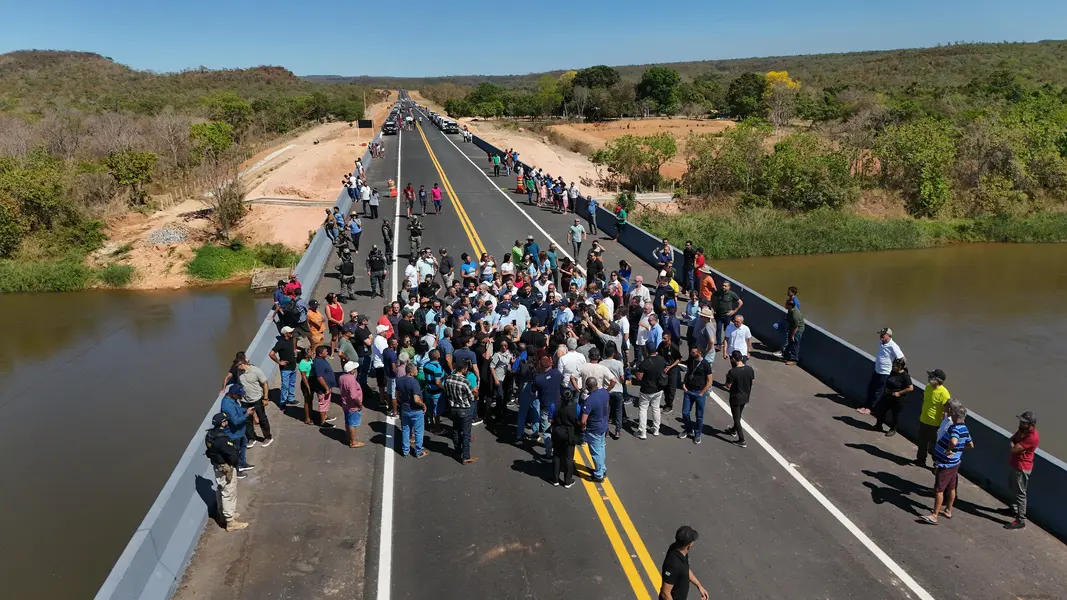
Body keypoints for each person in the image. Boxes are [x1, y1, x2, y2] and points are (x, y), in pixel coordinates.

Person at [921, 406, 974, 525]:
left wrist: (950, 450)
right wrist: (958, 451)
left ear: (956, 416)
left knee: (939, 490)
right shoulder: (965, 429)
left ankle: (934, 515)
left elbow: (954, 441)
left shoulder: (955, 428)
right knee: (951, 487)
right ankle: (948, 510)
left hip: (945, 464)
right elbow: (970, 444)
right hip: (955, 463)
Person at [204, 412, 248, 531]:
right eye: (225, 421)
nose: (227, 422)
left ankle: (223, 515)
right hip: (226, 468)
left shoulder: (209, 435)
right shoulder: (222, 439)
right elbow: (232, 455)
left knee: (221, 489)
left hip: (217, 467)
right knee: (229, 492)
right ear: (222, 423)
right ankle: (230, 522)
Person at [1005, 411, 1040, 530]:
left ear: (1031, 425)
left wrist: (1015, 445)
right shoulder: (1021, 430)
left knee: (1020, 494)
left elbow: (1014, 449)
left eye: (1024, 422)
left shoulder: (1032, 437)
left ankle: (1020, 520)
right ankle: (1013, 510)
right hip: (1016, 465)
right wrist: (1014, 445)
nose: (1021, 423)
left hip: (1022, 468)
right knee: (1012, 487)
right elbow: (1012, 440)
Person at [860, 327, 906, 415]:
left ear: (889, 336)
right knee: (871, 389)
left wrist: (897, 370)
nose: (881, 337)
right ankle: (865, 406)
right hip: (877, 370)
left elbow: (902, 359)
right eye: (880, 335)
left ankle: (871, 409)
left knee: (878, 392)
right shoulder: (881, 343)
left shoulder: (893, 346)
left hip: (885, 372)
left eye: (883, 335)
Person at [659, 526, 709, 600]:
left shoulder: (680, 551)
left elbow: (685, 569)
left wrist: (699, 586)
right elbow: (665, 593)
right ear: (689, 545)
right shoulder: (673, 564)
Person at [445, 359, 479, 464]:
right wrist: (476, 393)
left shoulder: (448, 379)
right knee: (466, 433)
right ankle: (466, 456)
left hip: (453, 408)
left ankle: (457, 450)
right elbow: (472, 397)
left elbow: (447, 392)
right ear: (464, 369)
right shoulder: (465, 382)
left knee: (455, 430)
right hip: (464, 409)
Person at [915, 368, 951, 468]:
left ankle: (936, 465)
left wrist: (942, 426)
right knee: (921, 442)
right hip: (924, 420)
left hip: (935, 425)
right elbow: (924, 401)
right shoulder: (927, 387)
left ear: (938, 380)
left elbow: (946, 411)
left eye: (931, 376)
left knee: (934, 447)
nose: (928, 378)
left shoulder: (944, 393)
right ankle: (920, 460)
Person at [235, 355, 273, 447]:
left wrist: (265, 398)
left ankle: (268, 437)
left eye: (237, 366)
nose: (237, 368)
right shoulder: (239, 372)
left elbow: (265, 383)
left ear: (242, 364)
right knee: (247, 420)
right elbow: (240, 384)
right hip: (245, 400)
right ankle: (252, 438)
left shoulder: (256, 371)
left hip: (257, 399)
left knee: (262, 418)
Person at [679, 345, 713, 443]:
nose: (691, 354)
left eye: (693, 352)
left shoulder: (705, 364)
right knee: (685, 413)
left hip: (699, 393)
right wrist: (684, 384)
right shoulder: (691, 361)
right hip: (688, 391)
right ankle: (688, 429)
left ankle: (698, 434)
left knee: (699, 415)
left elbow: (709, 381)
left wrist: (702, 393)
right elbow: (688, 373)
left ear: (699, 353)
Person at [220, 384, 255, 475]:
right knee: (235, 453)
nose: (241, 396)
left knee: (243, 445)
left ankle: (242, 463)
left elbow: (237, 410)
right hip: (233, 434)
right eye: (239, 395)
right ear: (233, 394)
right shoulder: (228, 405)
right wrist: (247, 414)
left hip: (240, 432)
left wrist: (244, 410)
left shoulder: (233, 400)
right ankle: (237, 471)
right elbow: (235, 421)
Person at [873, 358, 913, 437]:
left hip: (898, 399)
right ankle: (878, 425)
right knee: (881, 410)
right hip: (888, 395)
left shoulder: (905, 376)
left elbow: (910, 388)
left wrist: (899, 393)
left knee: (895, 415)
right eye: (893, 365)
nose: (893, 367)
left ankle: (893, 429)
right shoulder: (892, 372)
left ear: (900, 367)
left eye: (895, 366)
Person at [581, 377, 611, 482]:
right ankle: (602, 469)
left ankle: (598, 475)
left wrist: (583, 427)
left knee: (595, 452)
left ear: (588, 387)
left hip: (594, 428)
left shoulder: (589, 400)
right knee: (601, 448)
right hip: (603, 424)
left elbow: (583, 420)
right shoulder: (604, 393)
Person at [723, 350, 755, 448]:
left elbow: (728, 385)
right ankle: (733, 430)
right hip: (745, 396)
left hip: (735, 397)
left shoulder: (732, 372)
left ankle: (742, 439)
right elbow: (752, 382)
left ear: (733, 359)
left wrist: (727, 379)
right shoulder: (750, 369)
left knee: (736, 418)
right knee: (739, 414)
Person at [396, 363, 428, 458]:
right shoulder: (414, 382)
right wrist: (423, 405)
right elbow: (416, 399)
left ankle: (405, 451)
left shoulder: (400, 380)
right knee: (418, 431)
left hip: (404, 408)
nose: (417, 371)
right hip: (415, 410)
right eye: (416, 370)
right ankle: (418, 451)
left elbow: (397, 395)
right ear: (411, 372)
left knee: (405, 429)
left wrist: (401, 402)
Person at [551, 389, 581, 487]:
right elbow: (579, 421)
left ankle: (555, 479)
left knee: (556, 455)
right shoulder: (576, 407)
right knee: (569, 458)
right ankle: (568, 480)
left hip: (557, 432)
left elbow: (550, 419)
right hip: (570, 434)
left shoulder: (554, 405)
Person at [635, 343, 666, 439]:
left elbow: (639, 377)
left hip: (646, 389)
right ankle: (656, 429)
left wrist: (637, 372)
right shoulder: (662, 360)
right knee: (656, 408)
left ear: (646, 351)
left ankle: (642, 432)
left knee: (643, 409)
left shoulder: (644, 363)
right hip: (658, 388)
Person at [270, 326, 300, 408]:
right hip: (285, 369)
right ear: (286, 334)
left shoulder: (290, 340)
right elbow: (271, 354)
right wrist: (279, 362)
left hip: (293, 366)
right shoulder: (280, 343)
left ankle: (290, 399)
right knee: (285, 386)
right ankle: (282, 402)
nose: (292, 333)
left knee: (292, 383)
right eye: (290, 332)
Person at [338, 361, 366, 448]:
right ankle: (353, 442)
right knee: (352, 424)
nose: (355, 370)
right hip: (353, 405)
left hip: (345, 403)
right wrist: (359, 404)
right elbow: (353, 396)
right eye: (354, 368)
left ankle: (350, 438)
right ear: (351, 371)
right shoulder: (351, 379)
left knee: (347, 421)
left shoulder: (341, 377)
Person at [710, 280, 742, 349]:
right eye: (723, 285)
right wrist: (713, 309)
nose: (723, 287)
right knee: (718, 329)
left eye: (725, 286)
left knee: (727, 329)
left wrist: (734, 311)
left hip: (727, 315)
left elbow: (740, 302)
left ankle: (726, 342)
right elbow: (712, 299)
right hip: (718, 314)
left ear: (729, 287)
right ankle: (718, 344)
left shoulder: (732, 294)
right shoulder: (718, 293)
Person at [310, 345, 338, 427]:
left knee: (326, 403)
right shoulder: (318, 363)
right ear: (320, 354)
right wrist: (326, 388)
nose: (327, 353)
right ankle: (323, 422)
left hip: (327, 386)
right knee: (323, 404)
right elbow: (320, 377)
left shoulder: (321, 360)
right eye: (325, 352)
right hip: (323, 388)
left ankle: (324, 416)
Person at [783, 299, 803, 365]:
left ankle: (794, 360)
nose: (785, 305)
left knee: (795, 344)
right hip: (792, 327)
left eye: (786, 304)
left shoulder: (795, 314)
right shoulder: (790, 310)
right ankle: (787, 356)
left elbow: (796, 326)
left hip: (797, 330)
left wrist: (792, 335)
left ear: (790, 306)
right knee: (790, 342)